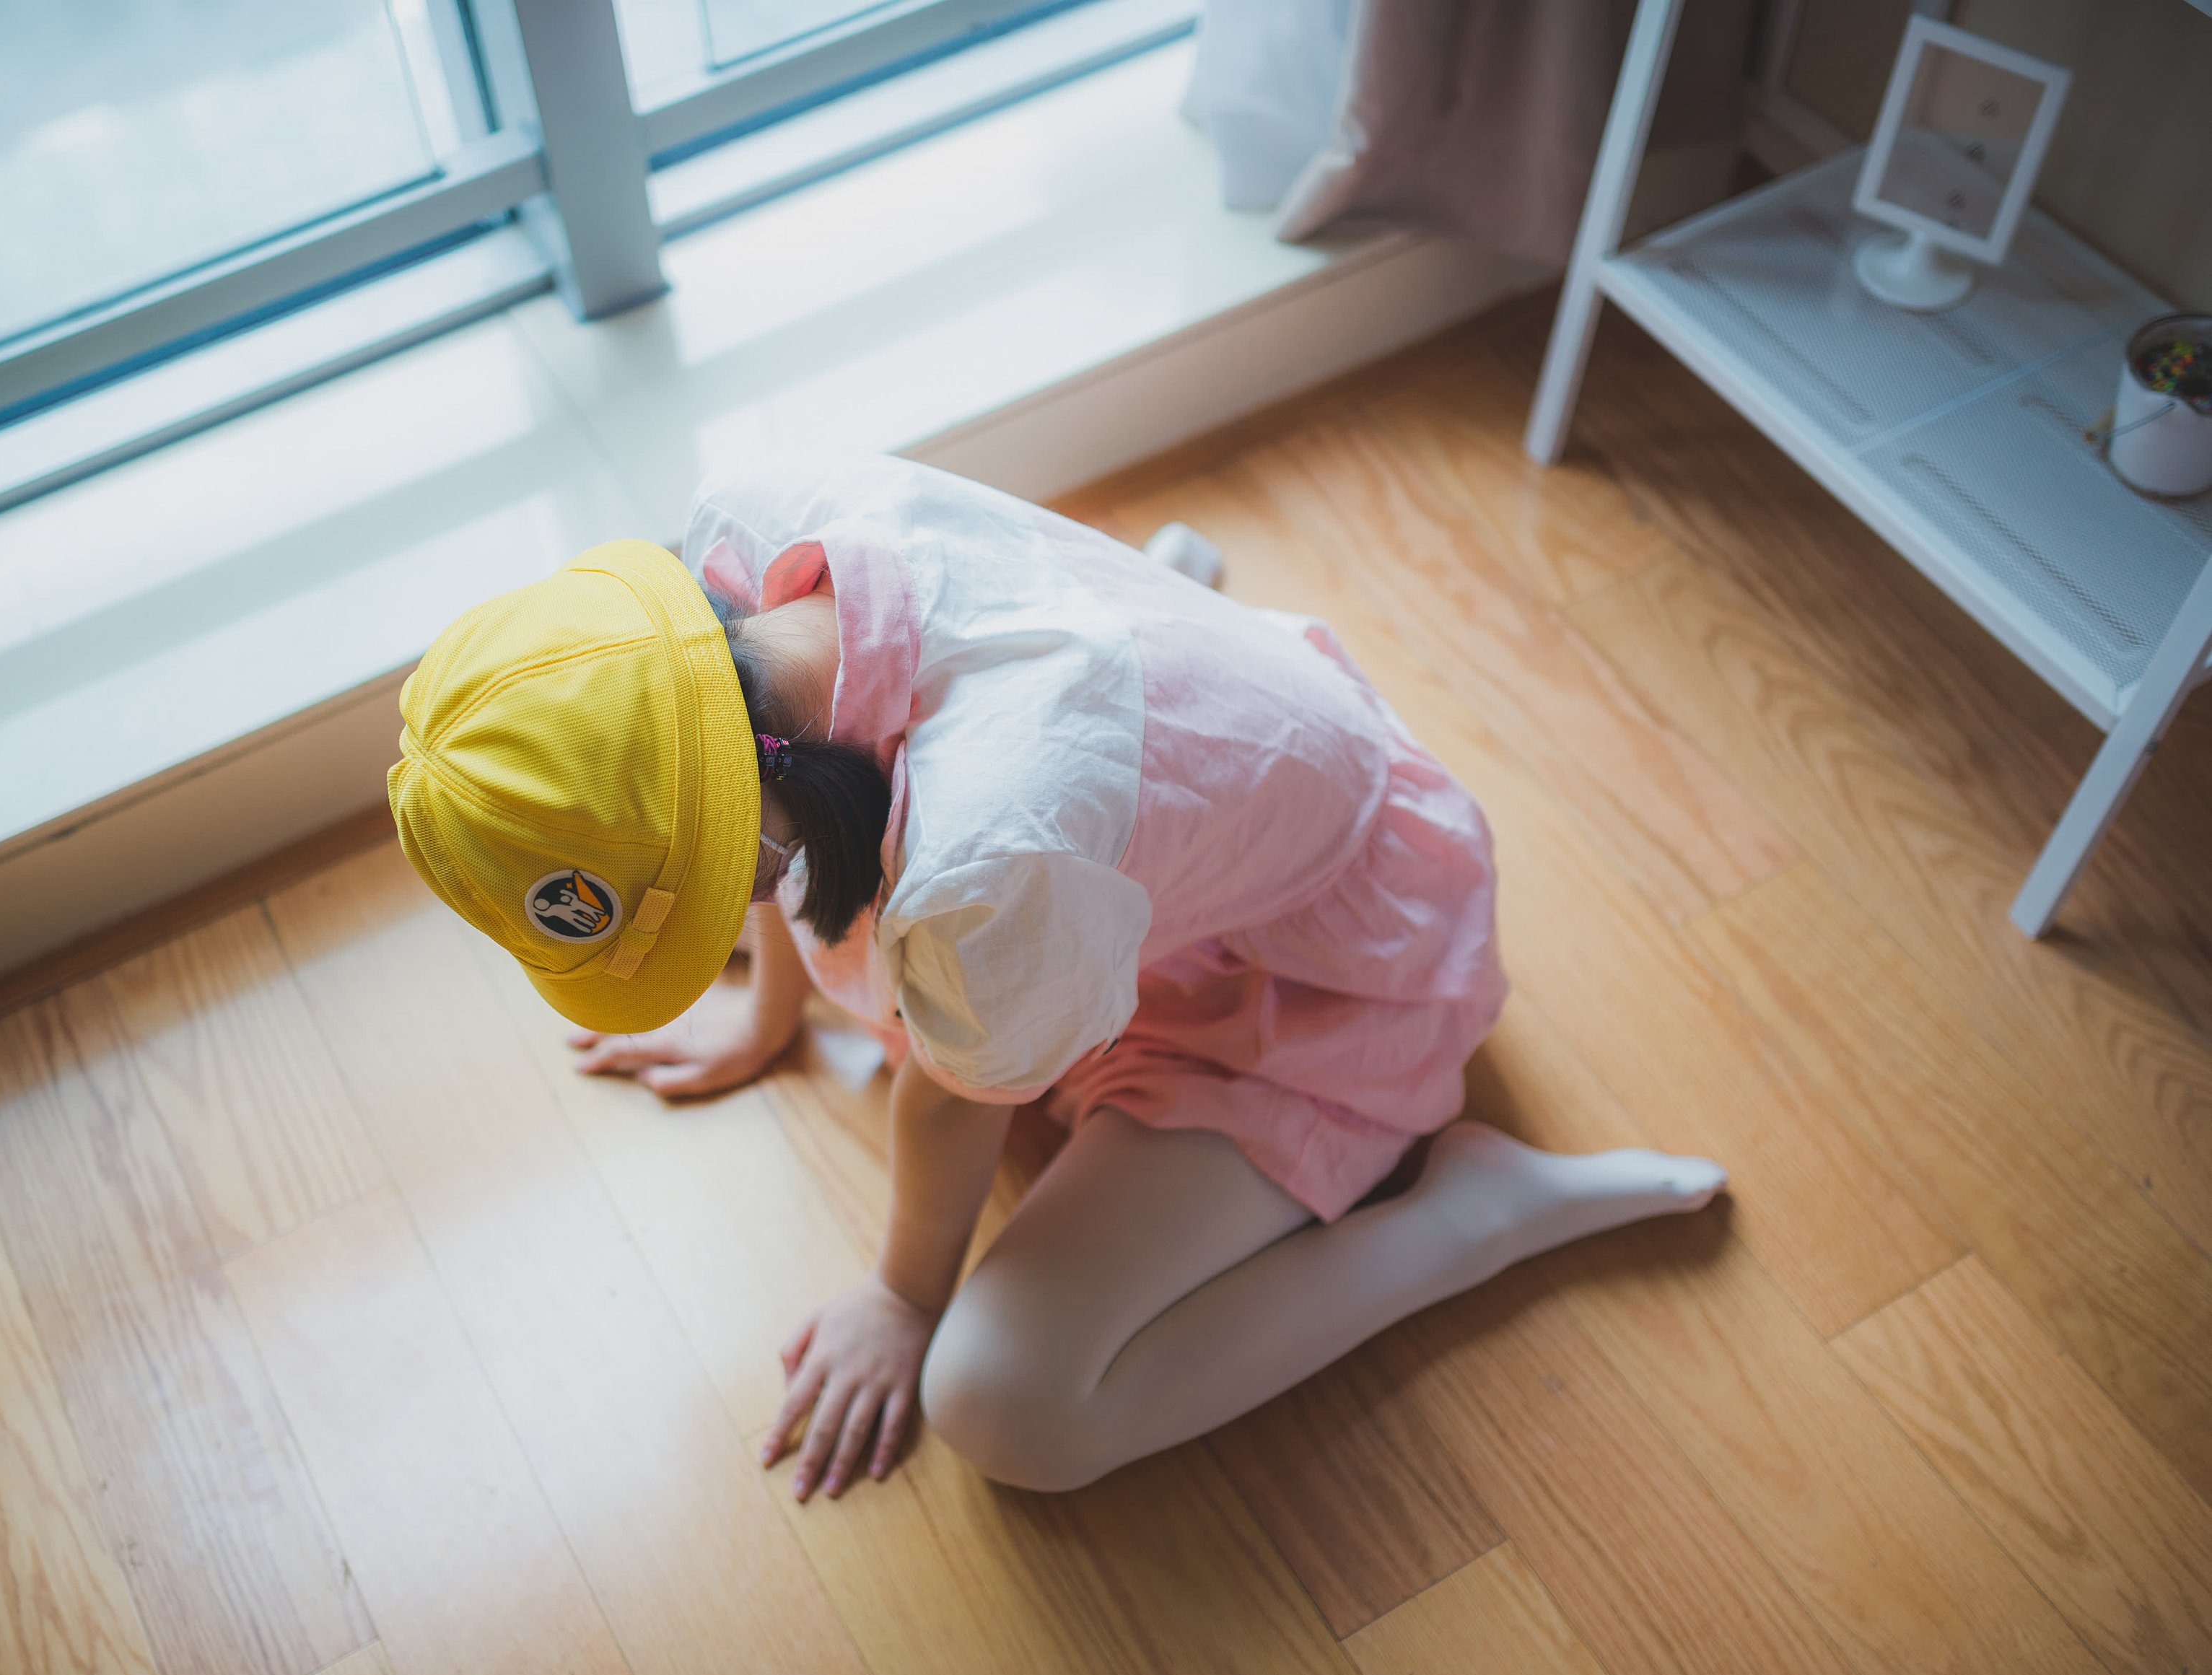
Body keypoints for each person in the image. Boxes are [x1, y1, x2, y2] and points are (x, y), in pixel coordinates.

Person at [387, 454, 1726, 1501]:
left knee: (1007, 1406)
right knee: (893, 885)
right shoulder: (747, 538)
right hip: (1155, 744)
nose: (753, 919)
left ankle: (1467, 1220)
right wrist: (765, 1009)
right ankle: (1170, 620)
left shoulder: (985, 869)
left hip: (1308, 971)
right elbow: (772, 814)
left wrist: (904, 1298)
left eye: (734, 898)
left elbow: (949, 1098)